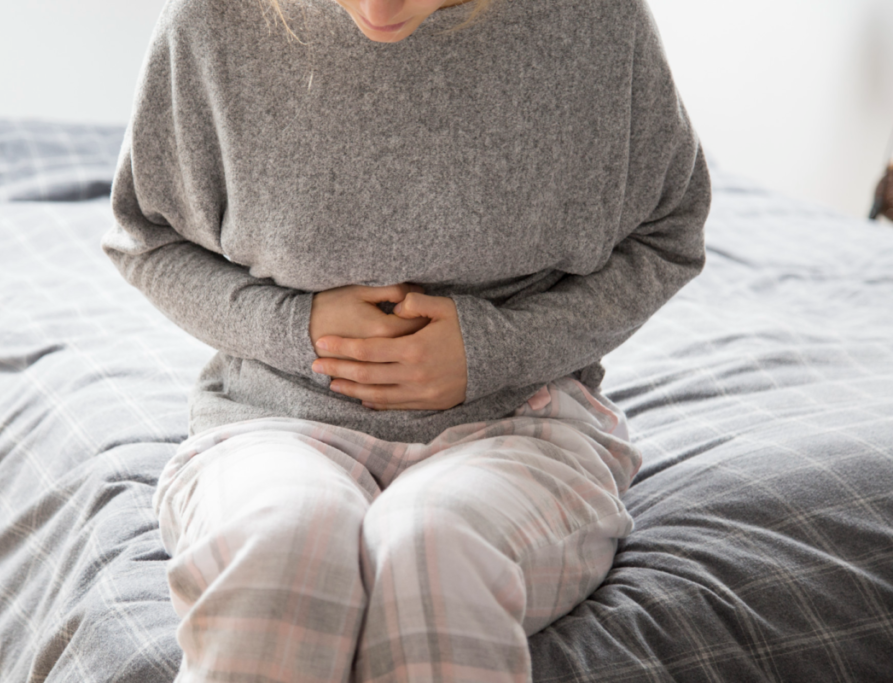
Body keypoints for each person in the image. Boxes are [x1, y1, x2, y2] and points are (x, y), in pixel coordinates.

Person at [102, 0, 711, 680]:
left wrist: (495, 348)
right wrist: (293, 326)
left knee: (434, 547)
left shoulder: (595, 21)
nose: (379, 6)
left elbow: (669, 237)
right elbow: (147, 239)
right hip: (273, 419)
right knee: (282, 544)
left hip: (521, 423)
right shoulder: (212, 22)